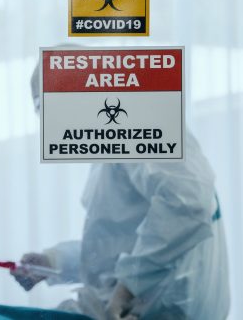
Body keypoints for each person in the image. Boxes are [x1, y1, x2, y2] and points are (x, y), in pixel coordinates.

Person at [12, 63, 230, 320]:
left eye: (43, 109)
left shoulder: (140, 124)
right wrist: (54, 261)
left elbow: (188, 204)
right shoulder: (116, 138)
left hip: (157, 309)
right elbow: (120, 242)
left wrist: (128, 287)